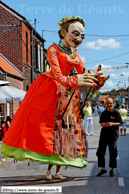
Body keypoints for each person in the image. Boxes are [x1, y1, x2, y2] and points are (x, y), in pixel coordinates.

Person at [1, 16, 109, 180]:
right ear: (64, 33)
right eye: (75, 34)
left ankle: (56, 171)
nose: (78, 39)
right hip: (49, 90)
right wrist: (75, 80)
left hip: (67, 96)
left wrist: (96, 80)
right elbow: (58, 75)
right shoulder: (53, 49)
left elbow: (83, 74)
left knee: (63, 134)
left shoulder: (74, 54)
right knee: (45, 129)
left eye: (82, 36)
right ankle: (47, 169)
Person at [96, 98, 123, 177]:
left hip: (113, 136)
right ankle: (103, 169)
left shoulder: (116, 112)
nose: (109, 105)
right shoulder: (104, 113)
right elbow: (100, 123)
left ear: (113, 103)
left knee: (113, 153)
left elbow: (121, 123)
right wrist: (103, 125)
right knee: (100, 152)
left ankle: (111, 170)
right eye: (108, 103)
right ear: (105, 104)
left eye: (110, 103)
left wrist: (112, 124)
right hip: (104, 135)